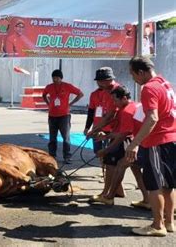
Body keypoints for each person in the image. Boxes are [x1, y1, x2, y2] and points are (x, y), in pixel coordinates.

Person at [125, 56, 176, 236]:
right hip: (171, 138)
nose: (134, 79)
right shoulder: (165, 83)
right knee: (169, 184)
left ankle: (157, 225)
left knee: (154, 185)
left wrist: (134, 143)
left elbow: (152, 118)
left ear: (141, 72)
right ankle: (169, 222)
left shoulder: (149, 88)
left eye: (133, 75)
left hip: (156, 141)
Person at [89, 86, 148, 207]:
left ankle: (108, 196)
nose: (114, 103)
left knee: (118, 165)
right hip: (139, 140)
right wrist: (105, 135)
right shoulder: (133, 106)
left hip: (134, 142)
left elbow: (123, 135)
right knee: (135, 170)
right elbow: (123, 130)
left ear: (124, 98)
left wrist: (105, 149)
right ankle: (147, 200)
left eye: (116, 100)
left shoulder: (126, 111)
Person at [85, 67, 124, 197]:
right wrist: (90, 128)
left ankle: (108, 192)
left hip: (114, 131)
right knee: (104, 158)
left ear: (109, 80)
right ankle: (114, 187)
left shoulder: (118, 91)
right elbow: (91, 111)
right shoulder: (95, 94)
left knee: (113, 162)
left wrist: (97, 130)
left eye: (102, 81)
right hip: (99, 129)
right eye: (98, 82)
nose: (99, 84)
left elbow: (111, 116)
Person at [42, 69, 83, 163]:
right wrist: (48, 103)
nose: (55, 80)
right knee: (52, 137)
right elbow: (44, 95)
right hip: (52, 115)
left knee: (66, 137)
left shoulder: (67, 86)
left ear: (61, 78)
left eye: (57, 78)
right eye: (53, 78)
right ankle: (52, 156)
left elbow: (80, 94)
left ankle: (67, 156)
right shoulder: (49, 87)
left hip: (64, 115)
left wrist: (71, 103)